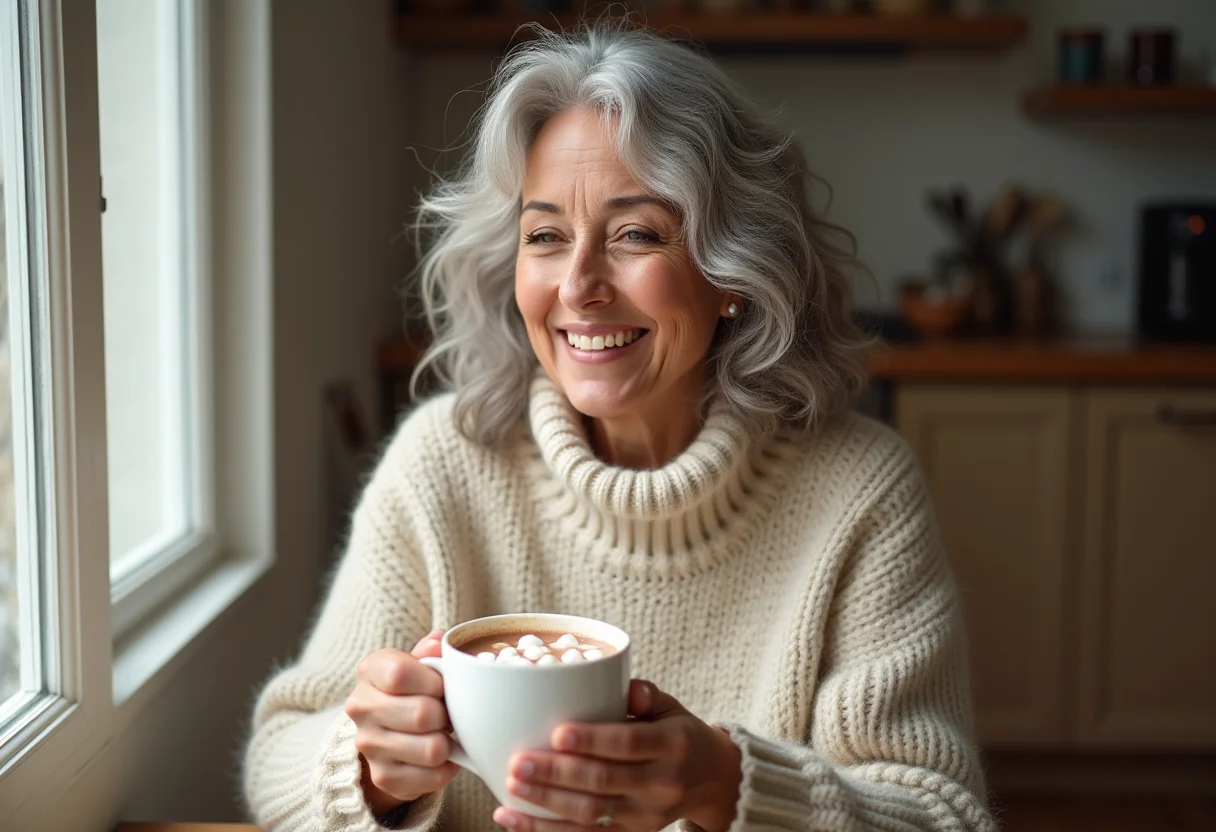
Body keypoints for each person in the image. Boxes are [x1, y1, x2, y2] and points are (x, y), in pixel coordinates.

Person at [243, 22, 995, 832]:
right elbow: (277, 761)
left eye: (635, 233)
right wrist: (372, 771)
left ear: (732, 269)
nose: (579, 286)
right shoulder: (442, 462)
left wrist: (730, 786)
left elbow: (942, 816)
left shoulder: (859, 492)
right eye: (545, 237)